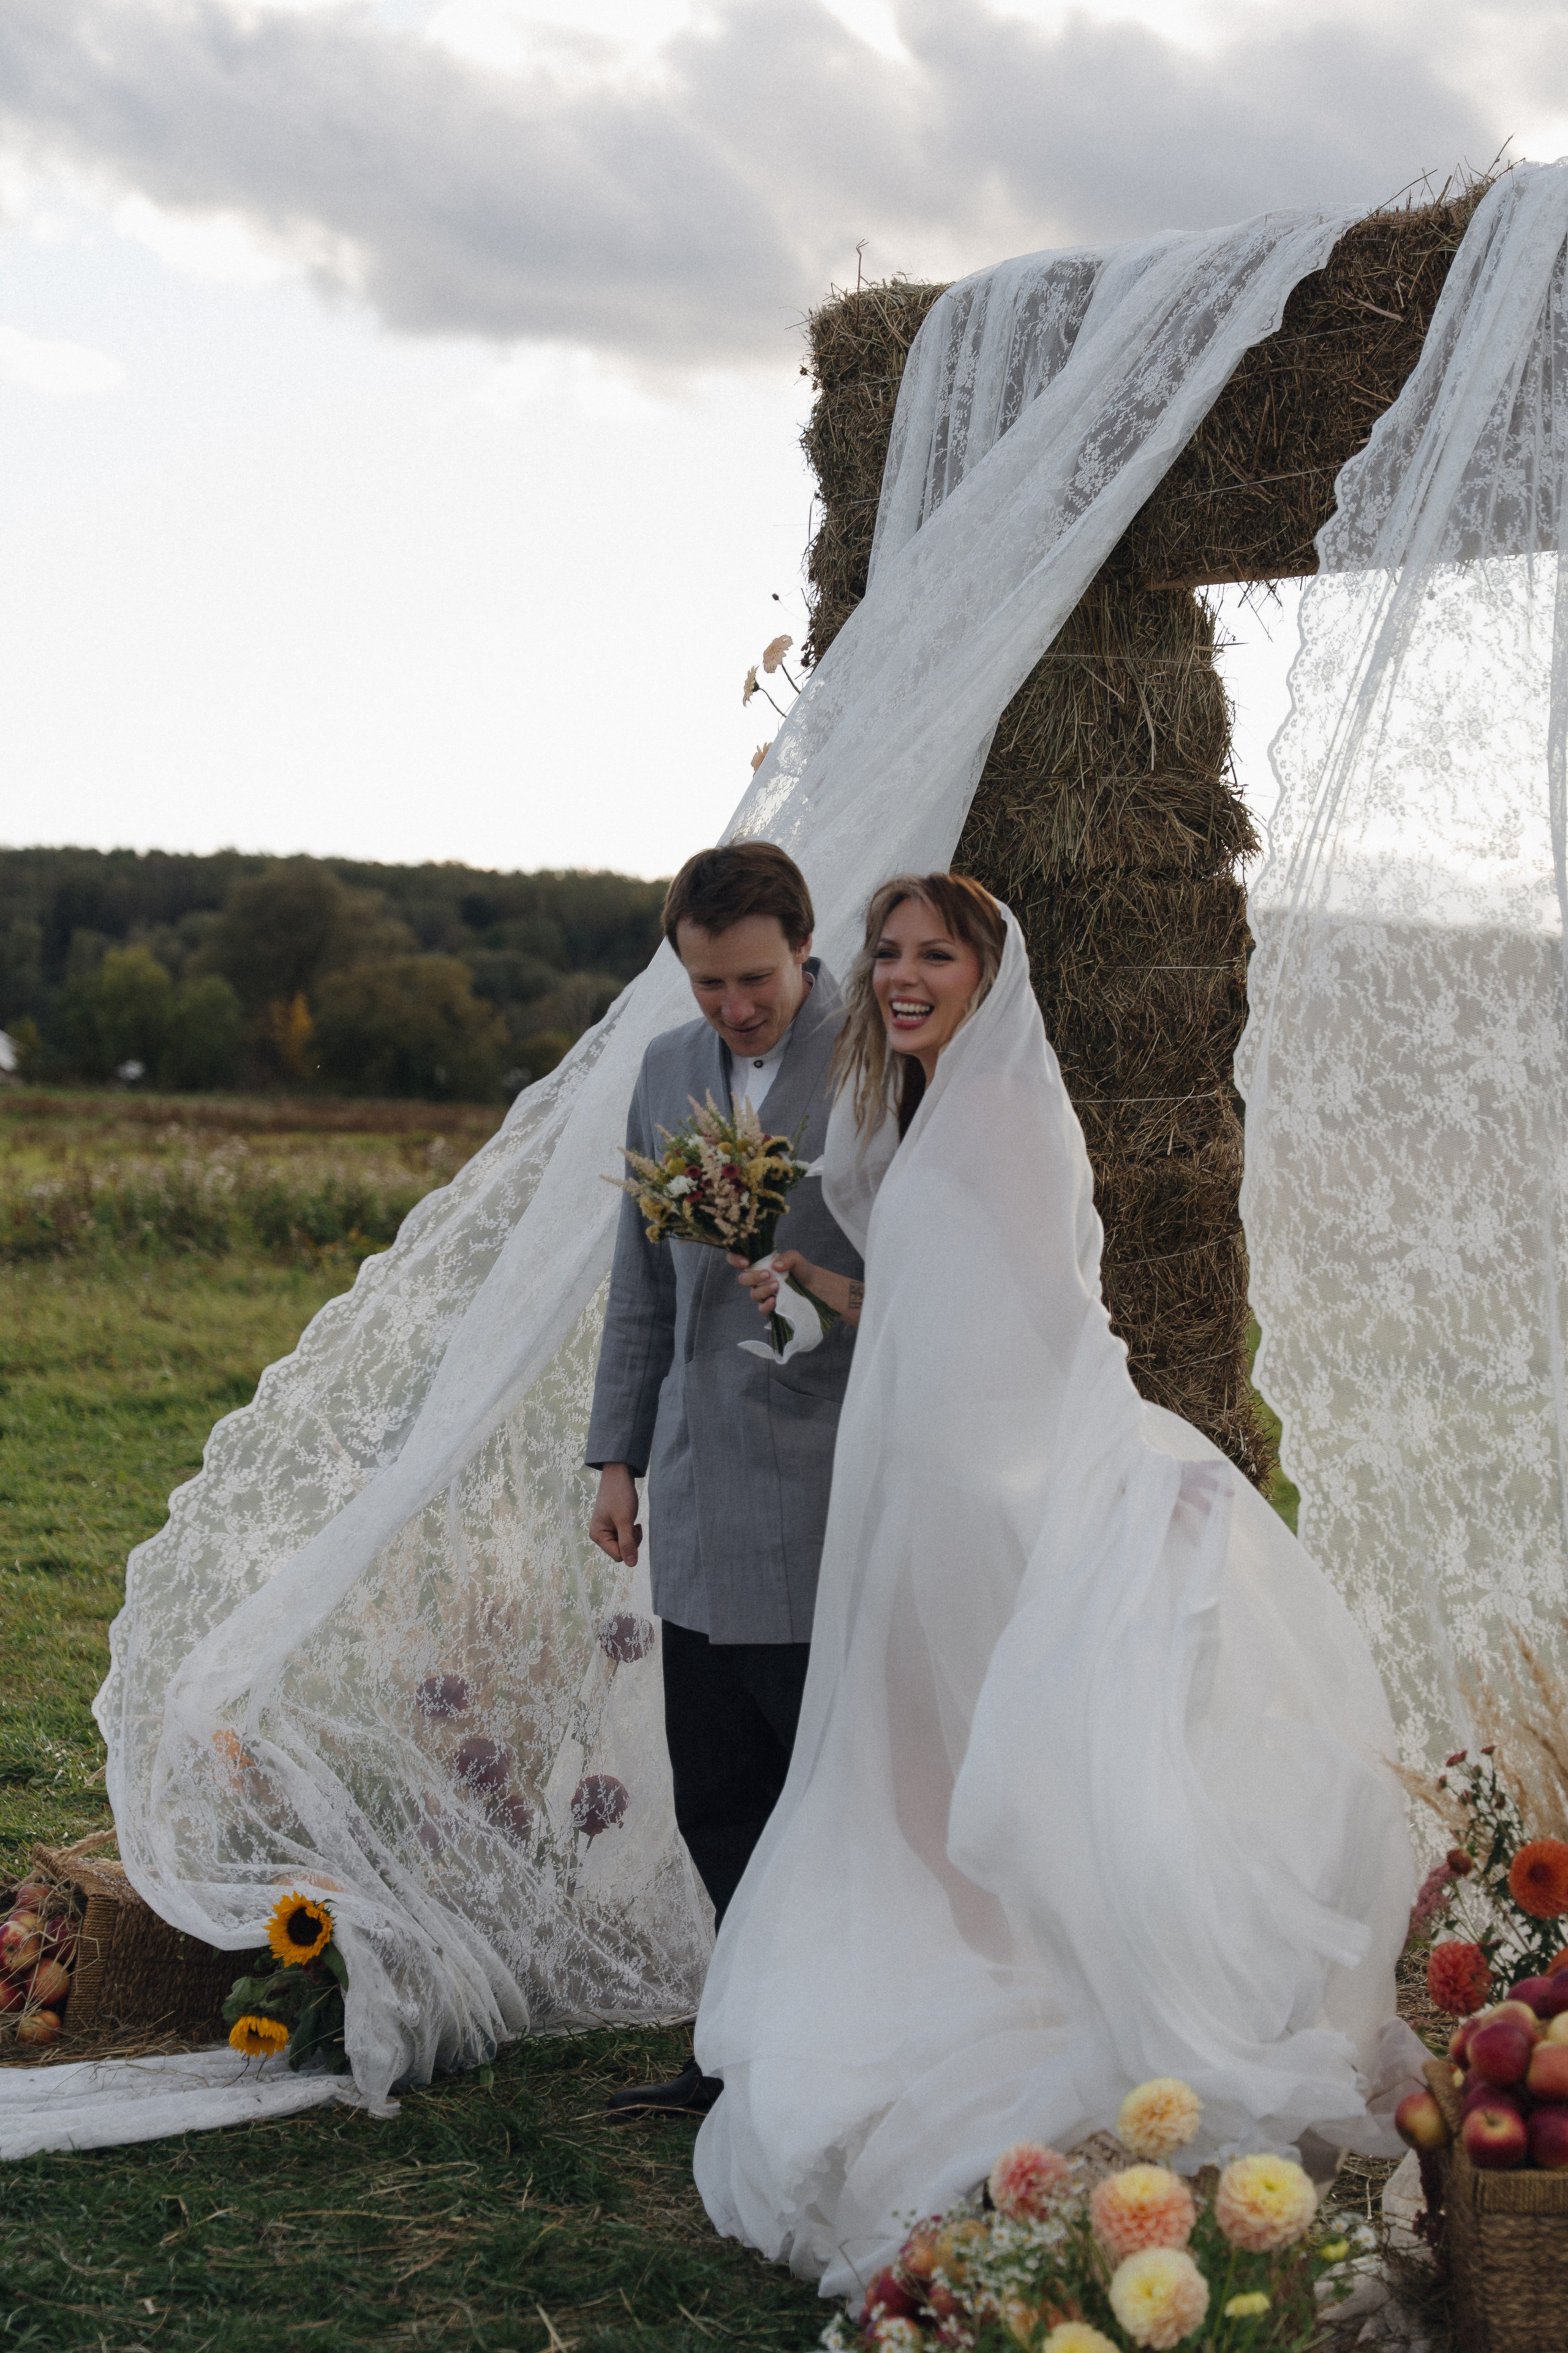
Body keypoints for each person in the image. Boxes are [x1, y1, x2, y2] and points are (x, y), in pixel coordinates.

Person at [693, 872, 1420, 2295]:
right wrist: (824, 1292)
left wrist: (1122, 1465)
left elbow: (1051, 1317)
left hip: (982, 1489)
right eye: (887, 954)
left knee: (998, 1763)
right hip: (918, 1484)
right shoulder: (927, 1101)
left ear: (984, 971)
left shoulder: (1013, 1112)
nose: (902, 976)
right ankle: (976, 1982)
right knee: (914, 1769)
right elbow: (934, 1288)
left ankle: (1045, 2005)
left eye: (932, 956)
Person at [585, 840, 864, 2118]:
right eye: (706, 985)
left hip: (828, 1480)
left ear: (804, 946)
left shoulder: (876, 1057)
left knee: (823, 1796)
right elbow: (640, 1287)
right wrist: (616, 1454)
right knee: (713, 1794)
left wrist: (822, 1298)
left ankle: (832, 2050)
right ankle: (741, 2047)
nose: (733, 1008)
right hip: (696, 1482)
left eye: (753, 980)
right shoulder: (659, 1073)